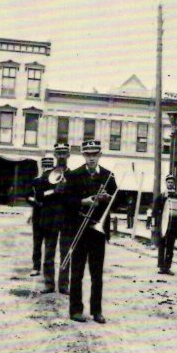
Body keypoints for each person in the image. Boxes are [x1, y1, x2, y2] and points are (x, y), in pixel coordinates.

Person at [64, 139, 117, 324]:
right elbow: (65, 201)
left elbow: (117, 201)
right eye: (88, 154)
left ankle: (97, 311)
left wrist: (109, 198)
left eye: (95, 154)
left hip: (98, 231)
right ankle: (76, 310)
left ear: (100, 155)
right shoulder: (74, 175)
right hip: (79, 228)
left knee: (97, 273)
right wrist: (83, 201)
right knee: (76, 272)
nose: (92, 158)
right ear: (83, 155)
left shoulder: (109, 176)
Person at [38, 144, 72, 294]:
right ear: (54, 155)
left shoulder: (74, 175)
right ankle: (49, 283)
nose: (62, 156)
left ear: (69, 155)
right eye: (59, 153)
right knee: (49, 251)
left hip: (66, 219)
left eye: (64, 153)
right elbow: (39, 196)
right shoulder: (46, 175)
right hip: (50, 218)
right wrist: (54, 191)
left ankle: (64, 285)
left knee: (66, 253)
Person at [153, 174, 177, 275]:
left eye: (172, 182)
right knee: (162, 245)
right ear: (166, 183)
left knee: (170, 246)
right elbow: (154, 212)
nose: (170, 184)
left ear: (174, 184)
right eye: (169, 182)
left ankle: (167, 267)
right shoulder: (161, 197)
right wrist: (154, 225)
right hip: (161, 224)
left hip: (172, 225)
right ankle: (161, 266)